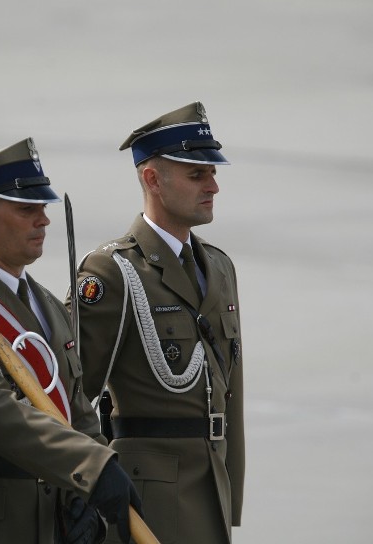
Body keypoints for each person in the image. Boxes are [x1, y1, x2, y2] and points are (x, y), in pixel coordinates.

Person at [0, 138, 142, 544]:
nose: (44, 220)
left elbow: (77, 406)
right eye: (27, 209)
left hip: (51, 519)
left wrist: (89, 484)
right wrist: (89, 466)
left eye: (44, 208)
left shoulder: (48, 305)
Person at [69, 102, 245, 543]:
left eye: (212, 173)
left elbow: (230, 393)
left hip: (211, 490)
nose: (214, 186)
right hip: (146, 501)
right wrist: (82, 493)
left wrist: (231, 497)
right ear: (152, 178)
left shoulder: (219, 267)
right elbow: (72, 398)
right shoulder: (111, 271)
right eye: (196, 175)